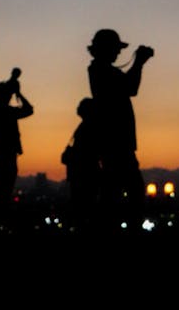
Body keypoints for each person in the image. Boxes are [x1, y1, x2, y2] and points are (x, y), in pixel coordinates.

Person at [86, 29, 154, 234]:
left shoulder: (101, 70)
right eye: (115, 49)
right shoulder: (102, 71)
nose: (117, 54)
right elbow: (131, 87)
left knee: (113, 191)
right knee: (130, 190)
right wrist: (140, 62)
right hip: (116, 143)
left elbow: (128, 87)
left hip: (112, 142)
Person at [0, 67, 34, 227]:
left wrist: (15, 91)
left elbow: (28, 110)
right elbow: (28, 110)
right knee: (1, 197)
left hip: (3, 158)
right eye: (8, 96)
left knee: (2, 196)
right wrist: (18, 93)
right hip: (2, 159)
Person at [61, 97, 101, 232]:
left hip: (84, 176)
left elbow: (83, 152)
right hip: (83, 175)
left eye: (80, 106)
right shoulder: (85, 126)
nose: (77, 108)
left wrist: (70, 156)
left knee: (83, 210)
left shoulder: (88, 127)